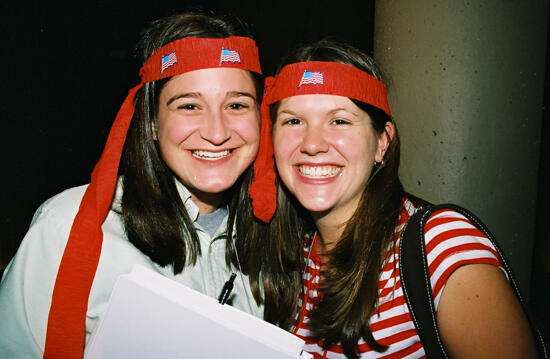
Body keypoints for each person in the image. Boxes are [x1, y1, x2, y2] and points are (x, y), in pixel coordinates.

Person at [0, 11, 276, 359]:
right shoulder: (71, 226)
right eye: (189, 106)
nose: (217, 132)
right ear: (153, 123)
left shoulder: (279, 235)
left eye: (237, 104)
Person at [246, 40, 539, 358]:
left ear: (382, 142)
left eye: (340, 120)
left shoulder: (440, 245)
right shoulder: (292, 255)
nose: (312, 144)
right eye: (293, 121)